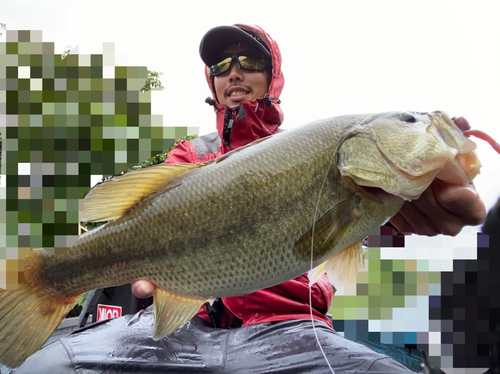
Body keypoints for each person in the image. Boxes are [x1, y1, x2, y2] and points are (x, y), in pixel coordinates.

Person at [12, 24, 486, 373]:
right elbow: (149, 212)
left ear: (272, 75)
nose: (234, 72)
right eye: (221, 65)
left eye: (250, 62)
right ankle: (44, 277)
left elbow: (357, 237)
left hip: (290, 329)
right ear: (212, 81)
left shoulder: (330, 163)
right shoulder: (190, 155)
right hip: (181, 329)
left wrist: (405, 216)